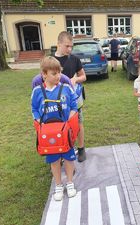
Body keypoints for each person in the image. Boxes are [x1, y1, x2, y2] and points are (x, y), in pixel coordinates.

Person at [31, 56, 78, 201]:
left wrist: (68, 123)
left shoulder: (66, 89)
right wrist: (40, 123)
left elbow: (74, 106)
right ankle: (58, 185)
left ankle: (70, 183)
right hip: (49, 135)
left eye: (59, 72)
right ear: (44, 74)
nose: (58, 76)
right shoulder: (37, 91)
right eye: (54, 73)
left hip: (65, 133)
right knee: (54, 160)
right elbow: (34, 109)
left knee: (69, 158)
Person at [39, 31, 87, 162]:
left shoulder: (75, 59)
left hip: (74, 98)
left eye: (71, 46)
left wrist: (75, 79)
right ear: (58, 44)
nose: (70, 49)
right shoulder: (50, 61)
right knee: (58, 124)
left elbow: (84, 76)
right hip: (54, 100)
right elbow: (42, 79)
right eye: (67, 46)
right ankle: (59, 150)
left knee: (78, 123)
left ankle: (81, 148)